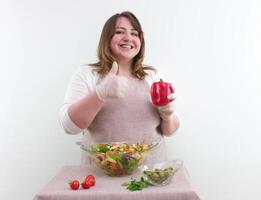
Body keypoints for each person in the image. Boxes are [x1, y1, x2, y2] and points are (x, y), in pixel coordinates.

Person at [59, 11, 179, 164]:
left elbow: (170, 131)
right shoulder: (87, 74)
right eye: (119, 32)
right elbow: (69, 126)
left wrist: (168, 115)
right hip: (101, 174)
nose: (128, 38)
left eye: (134, 34)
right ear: (106, 38)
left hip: (149, 174)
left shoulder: (153, 76)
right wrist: (100, 94)